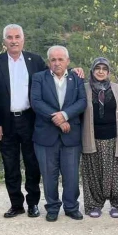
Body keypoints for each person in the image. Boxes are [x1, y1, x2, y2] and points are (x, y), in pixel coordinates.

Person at [0, 24, 45, 218]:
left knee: (32, 164)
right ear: (4, 42)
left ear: (23, 39)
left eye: (17, 36)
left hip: (30, 120)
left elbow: (53, 77)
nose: (14, 40)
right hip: (5, 122)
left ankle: (33, 203)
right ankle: (16, 204)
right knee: (10, 166)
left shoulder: (35, 61)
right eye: (9, 37)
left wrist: (74, 70)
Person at [30, 46, 87, 221]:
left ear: (68, 62)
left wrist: (65, 115)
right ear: (49, 62)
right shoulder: (39, 78)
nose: (57, 63)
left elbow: (82, 101)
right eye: (53, 60)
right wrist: (57, 119)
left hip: (71, 135)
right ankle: (52, 207)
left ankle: (71, 206)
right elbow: (36, 102)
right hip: (45, 136)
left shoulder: (76, 78)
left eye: (60, 59)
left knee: (71, 175)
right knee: (49, 175)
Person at [81, 57, 118, 218]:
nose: (101, 71)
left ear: (108, 72)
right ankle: (94, 204)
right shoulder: (84, 88)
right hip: (91, 138)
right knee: (93, 173)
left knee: (116, 173)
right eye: (97, 68)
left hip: (114, 138)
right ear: (92, 70)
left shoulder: (117, 89)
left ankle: (116, 205)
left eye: (104, 68)